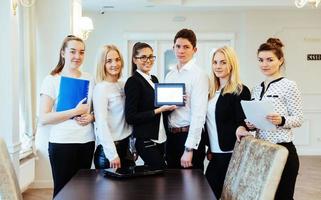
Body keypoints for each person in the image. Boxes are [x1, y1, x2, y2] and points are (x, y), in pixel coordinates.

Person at [236, 38, 304, 200]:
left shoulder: (289, 85)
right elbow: (256, 121)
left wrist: (280, 120)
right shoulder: (256, 88)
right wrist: (251, 124)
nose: (264, 64)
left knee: (283, 197)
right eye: (260, 60)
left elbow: (299, 118)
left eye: (269, 60)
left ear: (280, 60)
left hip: (283, 150)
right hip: (262, 151)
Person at [38, 35, 95, 197]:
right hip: (62, 143)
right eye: (73, 52)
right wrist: (74, 112)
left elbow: (95, 110)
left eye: (82, 52)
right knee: (63, 192)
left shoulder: (89, 78)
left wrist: (91, 117)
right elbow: (44, 117)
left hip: (86, 141)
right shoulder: (51, 80)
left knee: (83, 192)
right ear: (63, 53)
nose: (77, 56)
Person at [205, 46, 251, 198]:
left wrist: (241, 128)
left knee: (229, 196)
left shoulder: (240, 90)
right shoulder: (210, 91)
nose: (218, 66)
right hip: (214, 152)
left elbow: (242, 121)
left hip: (230, 152)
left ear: (231, 64)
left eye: (223, 62)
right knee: (208, 193)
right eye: (215, 62)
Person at [124, 42, 176, 169]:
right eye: (143, 57)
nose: (148, 60)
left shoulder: (154, 79)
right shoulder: (133, 82)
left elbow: (158, 109)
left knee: (155, 178)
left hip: (161, 137)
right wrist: (158, 110)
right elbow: (130, 117)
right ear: (134, 60)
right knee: (162, 171)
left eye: (151, 56)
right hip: (145, 139)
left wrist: (174, 103)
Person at [165, 28, 209, 170]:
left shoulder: (199, 75)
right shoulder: (169, 75)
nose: (181, 51)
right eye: (178, 46)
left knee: (191, 189)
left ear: (194, 49)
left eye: (186, 47)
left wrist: (189, 149)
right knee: (172, 187)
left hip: (189, 137)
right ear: (173, 48)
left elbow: (199, 115)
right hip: (171, 137)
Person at [93, 45, 135, 169]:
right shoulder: (101, 88)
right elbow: (101, 123)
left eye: (117, 59)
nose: (114, 64)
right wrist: (112, 155)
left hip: (126, 148)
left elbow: (129, 118)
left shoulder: (124, 84)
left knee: (128, 188)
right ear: (102, 64)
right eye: (109, 61)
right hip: (109, 152)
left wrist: (133, 146)